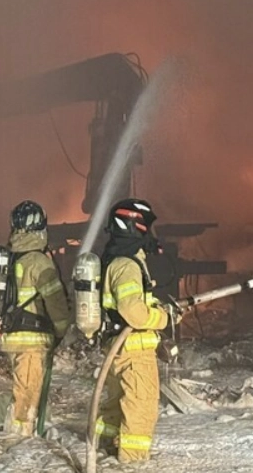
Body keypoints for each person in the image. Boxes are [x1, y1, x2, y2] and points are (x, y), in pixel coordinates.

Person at [96, 198, 179, 463]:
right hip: (135, 350)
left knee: (117, 404)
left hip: (121, 349)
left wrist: (154, 306)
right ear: (133, 226)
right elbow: (133, 312)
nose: (148, 234)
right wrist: (162, 318)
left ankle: (106, 445)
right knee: (141, 406)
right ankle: (131, 461)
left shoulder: (117, 260)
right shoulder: (127, 266)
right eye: (144, 228)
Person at [0, 200, 71, 436]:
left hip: (13, 336)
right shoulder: (39, 262)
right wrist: (62, 330)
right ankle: (20, 441)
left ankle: (22, 431)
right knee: (27, 396)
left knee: (23, 388)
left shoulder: (11, 259)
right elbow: (56, 302)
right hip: (32, 340)